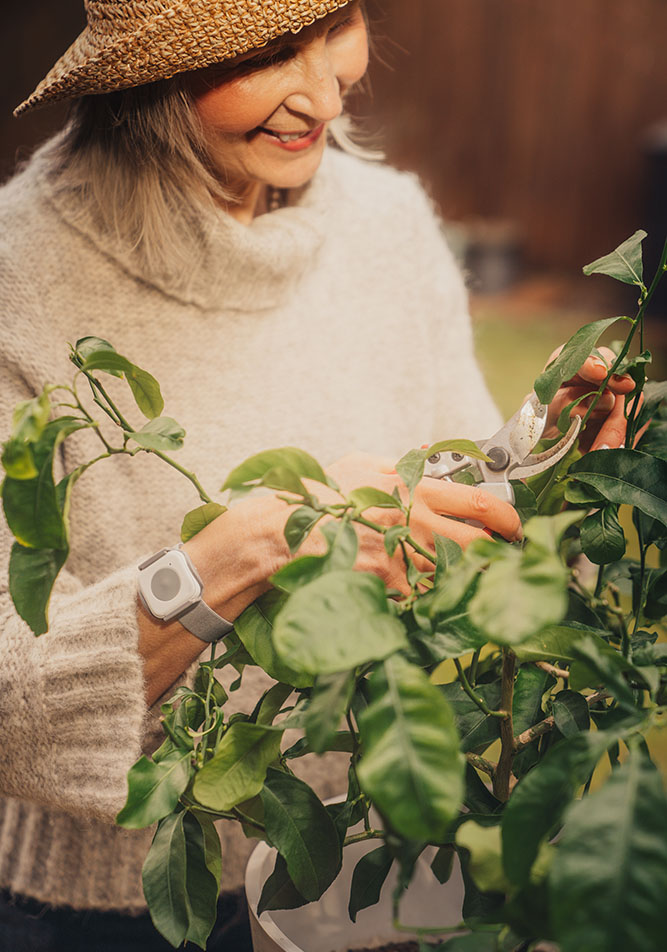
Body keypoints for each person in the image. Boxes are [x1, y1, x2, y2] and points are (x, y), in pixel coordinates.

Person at [0, 1, 632, 949]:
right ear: (147, 77)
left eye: (333, 26)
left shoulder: (388, 224)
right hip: (97, 909)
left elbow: (450, 492)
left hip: (346, 870)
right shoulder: (19, 275)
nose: (325, 97)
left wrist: (545, 460)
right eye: (266, 51)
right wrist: (246, 552)